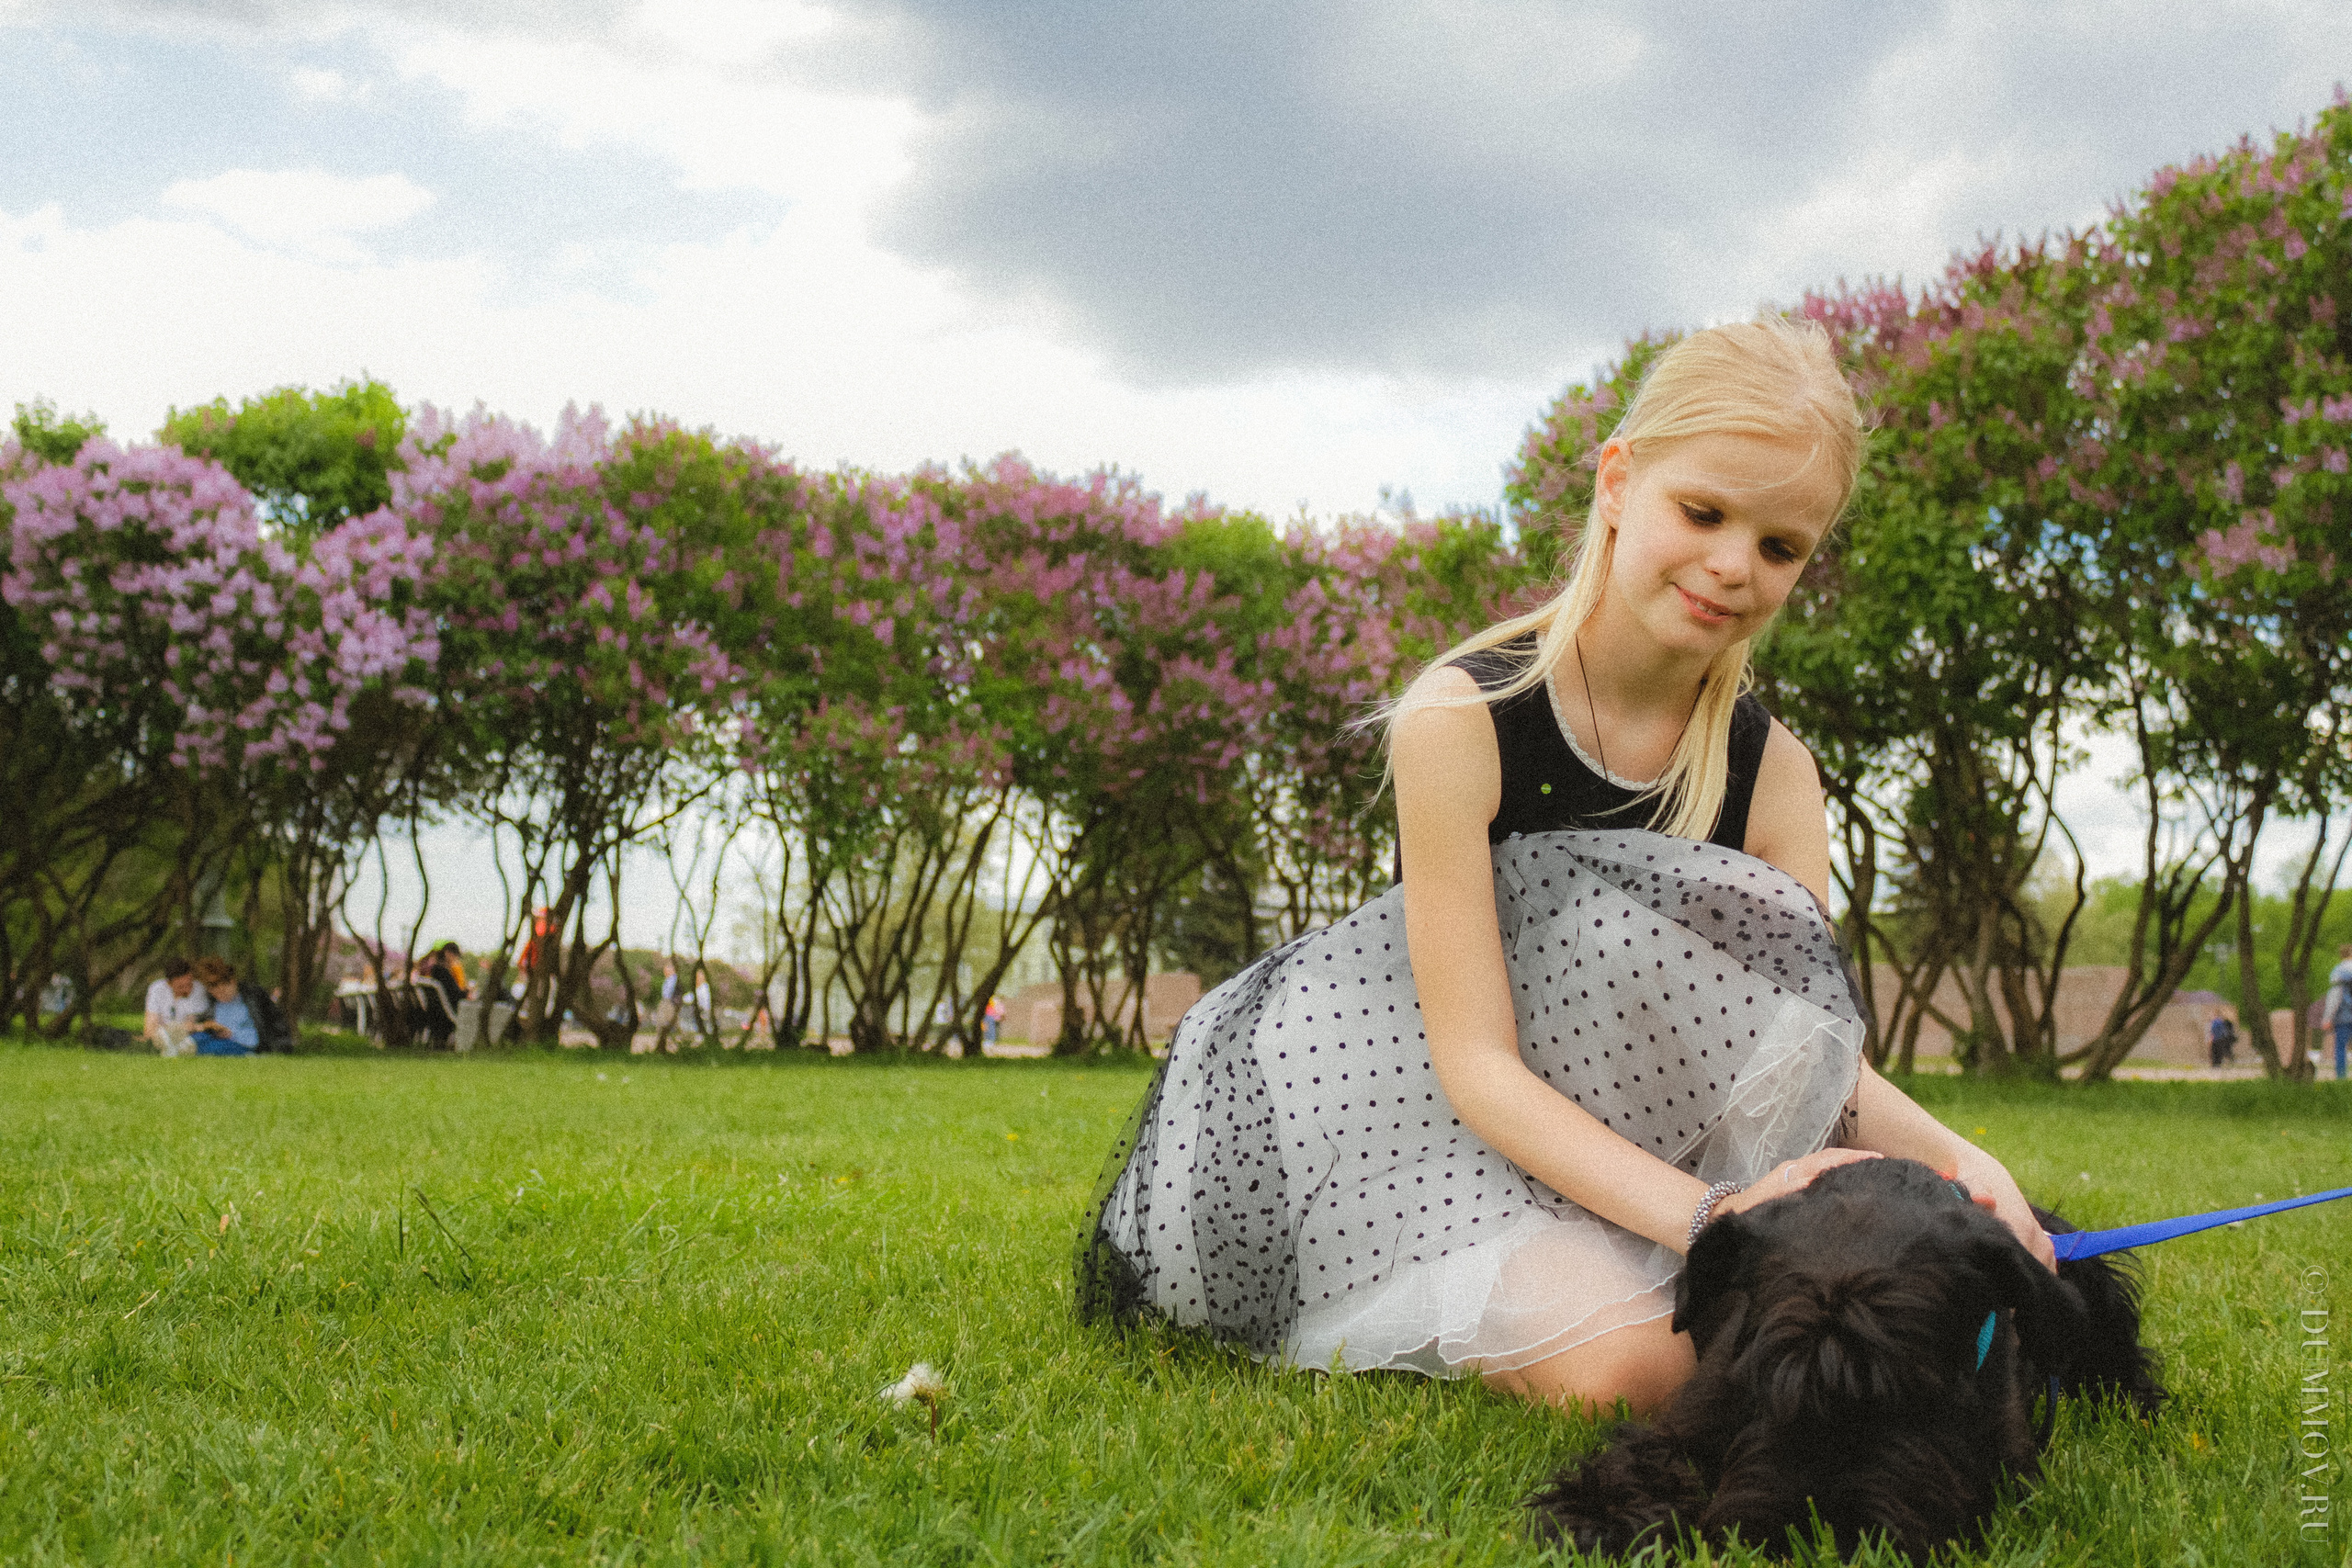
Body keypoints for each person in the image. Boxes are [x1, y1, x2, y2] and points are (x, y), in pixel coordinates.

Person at [1079, 318, 2055, 1419]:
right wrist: (1714, 1225)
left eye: (1781, 547)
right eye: (1703, 512)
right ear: (1617, 482)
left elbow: (1803, 1065)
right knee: (1645, 1373)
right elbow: (1477, 1067)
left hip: (1646, 1134)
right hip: (1428, 1131)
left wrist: (1974, 1171)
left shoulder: (1774, 775)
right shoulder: (1462, 719)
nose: (1734, 565)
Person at [142, 958, 209, 1055]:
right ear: (169, 983)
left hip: (189, 1036)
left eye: (189, 984)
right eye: (181, 986)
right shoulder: (157, 989)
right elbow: (149, 1028)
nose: (187, 990)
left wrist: (171, 1030)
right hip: (162, 1035)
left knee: (200, 1038)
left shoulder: (198, 989)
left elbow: (191, 1025)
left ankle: (173, 1048)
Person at [2329, 943, 2352, 1082]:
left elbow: (2335, 997)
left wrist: (2328, 1017)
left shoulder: (2338, 972)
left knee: (2340, 1048)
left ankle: (2342, 1077)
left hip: (2344, 1015)